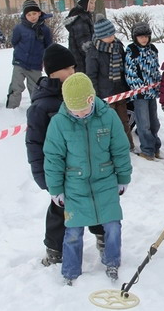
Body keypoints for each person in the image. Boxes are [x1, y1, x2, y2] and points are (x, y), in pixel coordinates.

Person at [43, 73, 132, 285]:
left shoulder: (108, 117)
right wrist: (55, 188)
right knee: (73, 232)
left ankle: (112, 261)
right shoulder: (59, 123)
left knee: (113, 226)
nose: (80, 114)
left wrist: (123, 177)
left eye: (83, 109)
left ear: (91, 100)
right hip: (75, 185)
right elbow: (53, 157)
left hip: (105, 181)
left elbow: (120, 149)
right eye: (75, 111)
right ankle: (71, 272)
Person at [25, 43, 107, 267]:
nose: (73, 73)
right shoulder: (41, 107)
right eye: (67, 69)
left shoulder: (81, 95)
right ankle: (55, 249)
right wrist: (44, 178)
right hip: (61, 173)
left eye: (74, 68)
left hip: (88, 167)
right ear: (52, 72)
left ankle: (104, 237)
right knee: (59, 212)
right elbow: (34, 144)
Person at [86, 18, 134, 150]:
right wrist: (96, 94)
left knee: (124, 120)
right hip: (105, 95)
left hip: (120, 92)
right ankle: (109, 148)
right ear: (100, 36)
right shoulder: (93, 52)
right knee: (108, 123)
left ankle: (128, 145)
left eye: (112, 34)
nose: (112, 37)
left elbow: (124, 68)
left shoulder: (118, 47)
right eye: (108, 35)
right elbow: (91, 75)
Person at [6, 0, 53, 109]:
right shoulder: (19, 28)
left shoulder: (44, 30)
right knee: (16, 86)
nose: (32, 16)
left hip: (35, 65)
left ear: (39, 13)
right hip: (20, 63)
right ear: (25, 15)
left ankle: (37, 108)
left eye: (34, 13)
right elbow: (14, 41)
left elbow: (48, 45)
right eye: (29, 14)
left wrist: (45, 59)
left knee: (35, 88)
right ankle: (11, 108)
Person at [124, 22, 162, 159]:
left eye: (146, 36)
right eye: (140, 37)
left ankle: (156, 148)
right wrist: (139, 88)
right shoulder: (131, 51)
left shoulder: (153, 49)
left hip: (152, 93)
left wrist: (158, 84)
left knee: (154, 123)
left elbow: (155, 70)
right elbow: (130, 73)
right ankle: (147, 150)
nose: (144, 39)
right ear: (135, 38)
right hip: (139, 95)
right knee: (144, 124)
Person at [64, 0, 96, 73]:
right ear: (84, 4)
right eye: (91, 3)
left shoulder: (85, 17)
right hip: (82, 65)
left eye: (94, 2)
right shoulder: (81, 21)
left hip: (82, 64)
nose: (94, 5)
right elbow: (85, 46)